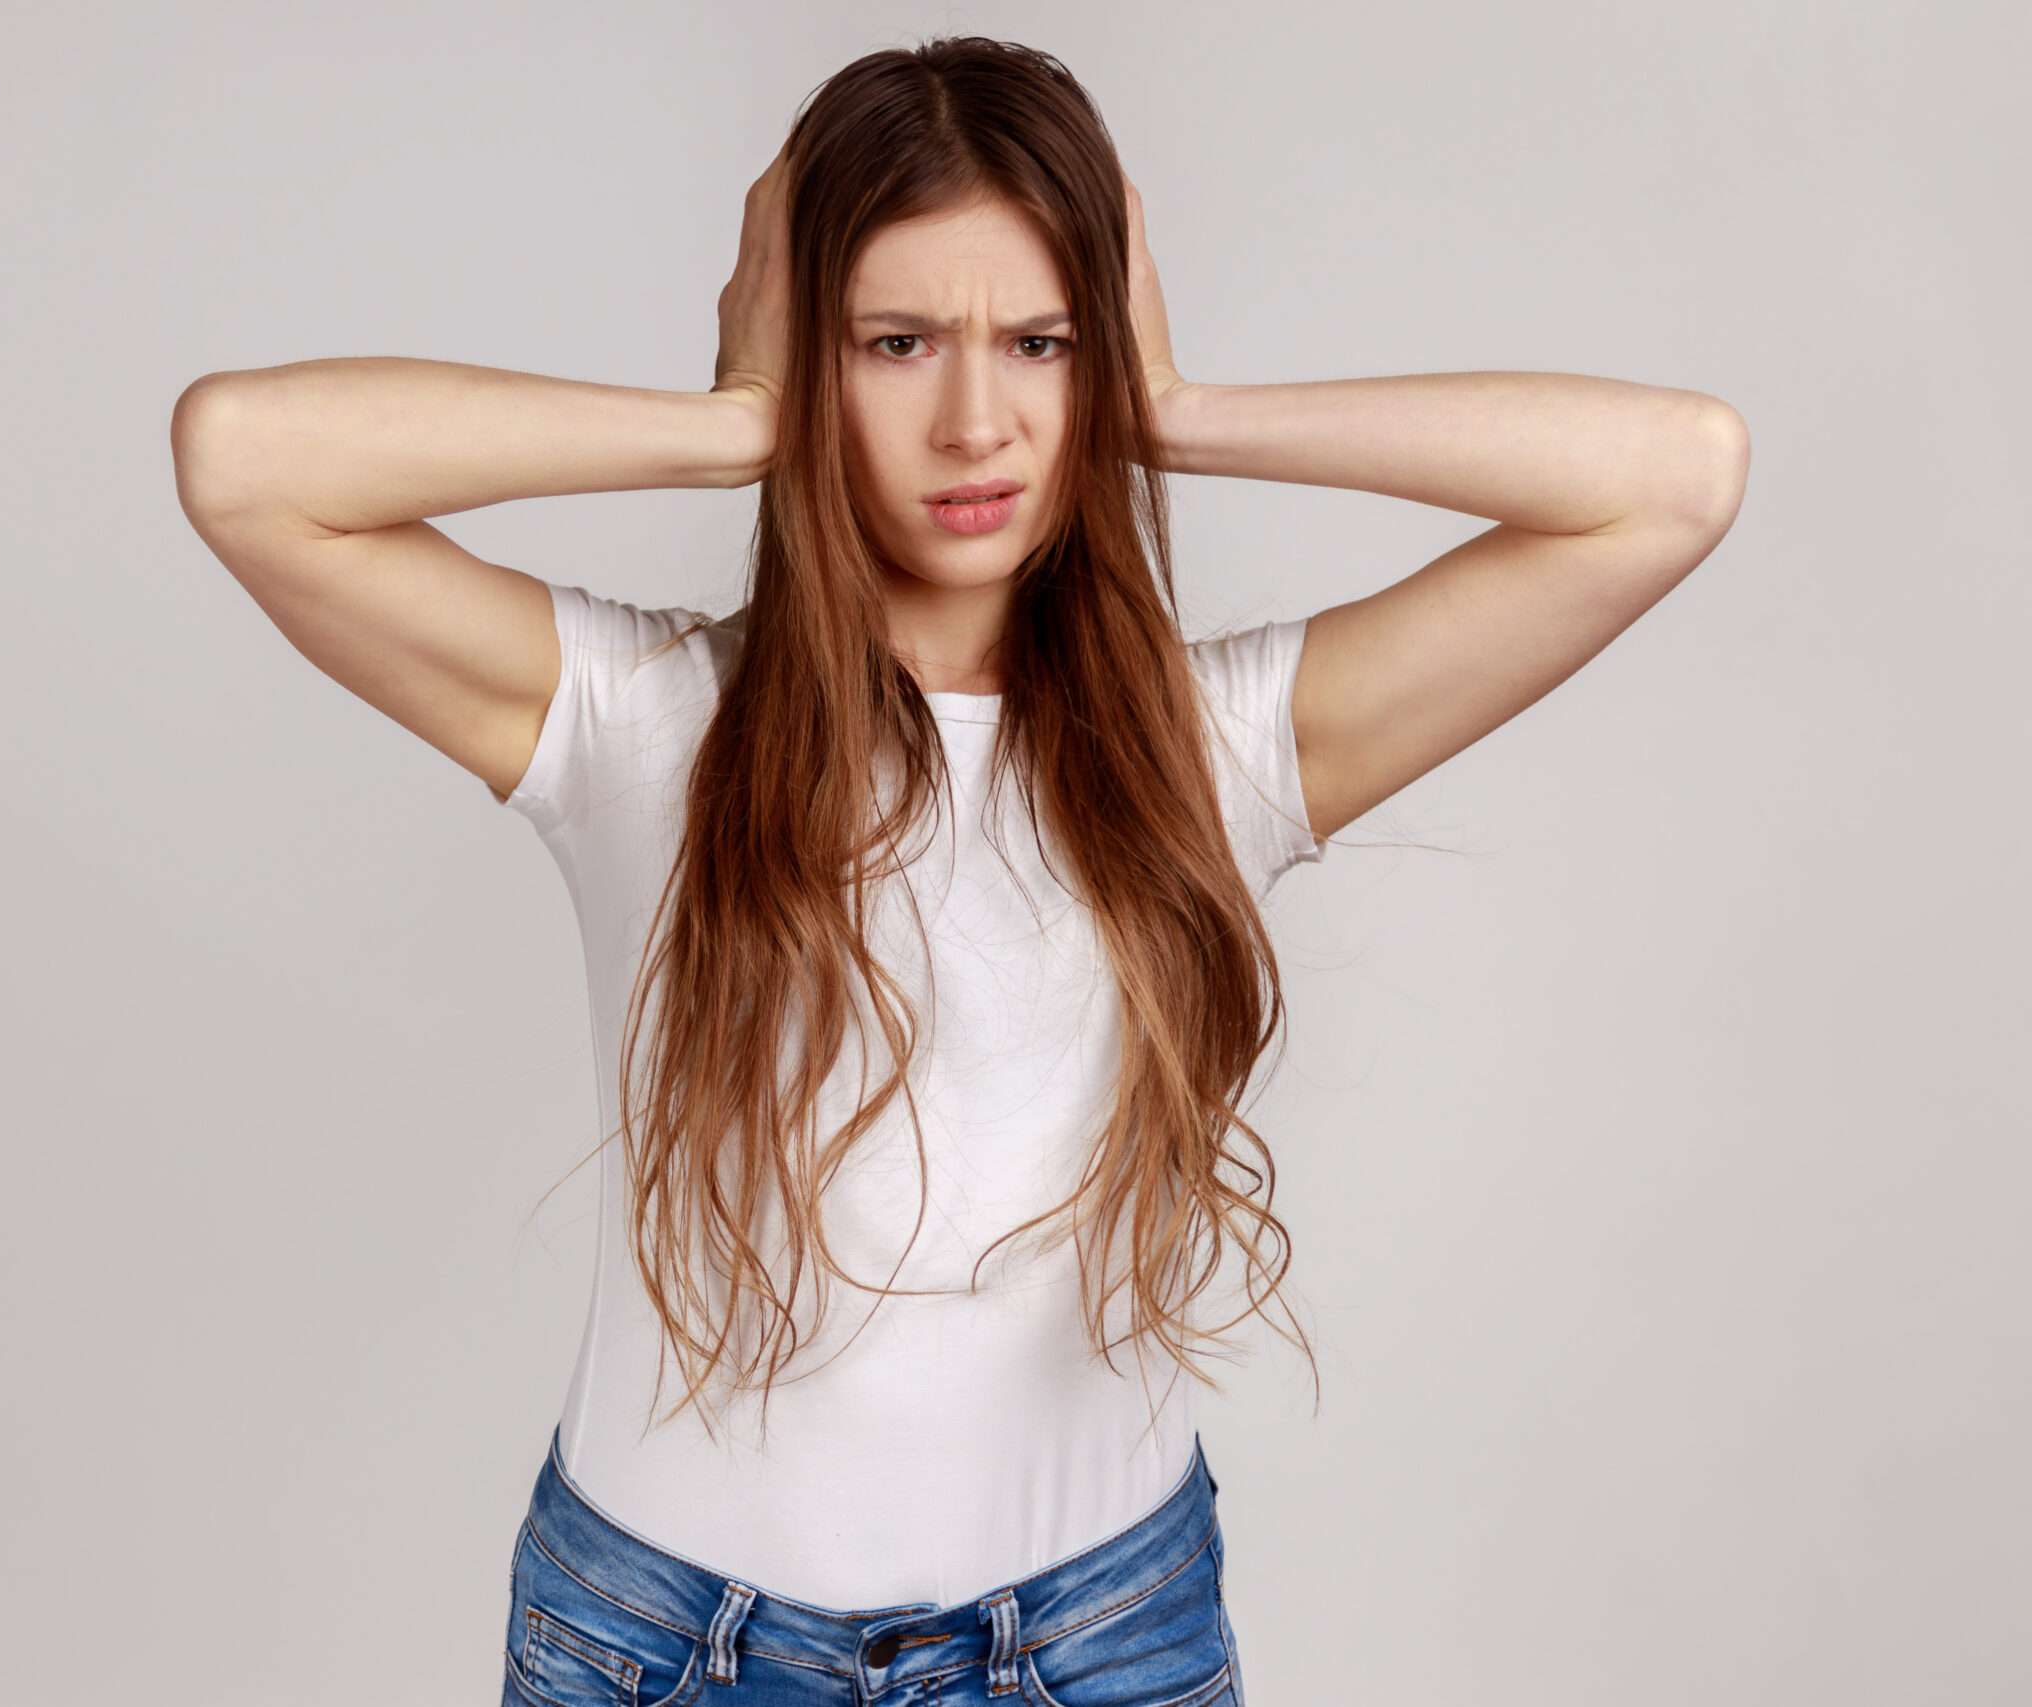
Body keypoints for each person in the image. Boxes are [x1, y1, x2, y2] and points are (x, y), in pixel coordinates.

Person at [169, 35, 1748, 1707]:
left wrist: (1183, 413)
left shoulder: (1211, 751)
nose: (976, 419)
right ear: (813, 356)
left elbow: (1674, 479)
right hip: (663, 1651)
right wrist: (730, 429)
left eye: (1040, 343)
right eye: (898, 342)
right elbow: (243, 462)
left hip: (1100, 1644)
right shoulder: (644, 721)